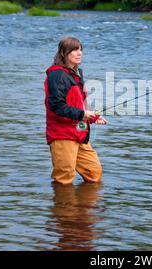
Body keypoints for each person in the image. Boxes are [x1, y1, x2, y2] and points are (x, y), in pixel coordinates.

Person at [44, 36, 107, 185]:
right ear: (63, 53)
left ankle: (83, 207)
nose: (79, 53)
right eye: (74, 50)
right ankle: (63, 207)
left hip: (79, 132)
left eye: (80, 50)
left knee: (94, 173)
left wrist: (92, 117)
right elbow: (56, 106)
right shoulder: (57, 74)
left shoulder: (76, 74)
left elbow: (79, 103)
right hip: (62, 134)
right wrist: (82, 114)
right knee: (64, 180)